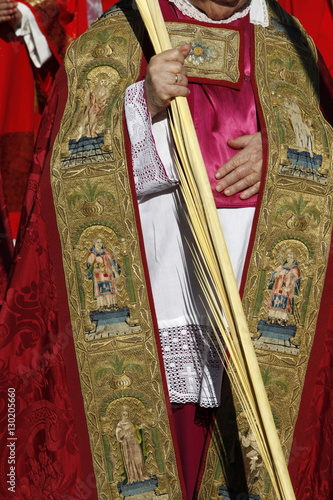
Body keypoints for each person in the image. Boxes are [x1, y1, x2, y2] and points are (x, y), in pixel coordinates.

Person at [0, 0, 333, 499]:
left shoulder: (289, 41)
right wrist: (140, 104)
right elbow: (62, 175)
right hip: (158, 308)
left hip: (259, 313)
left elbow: (323, 140)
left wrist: (286, 149)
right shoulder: (118, 38)